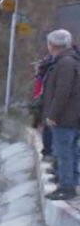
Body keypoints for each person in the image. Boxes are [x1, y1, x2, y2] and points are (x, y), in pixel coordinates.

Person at [42, 29, 80, 200]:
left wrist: (53, 115)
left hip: (65, 116)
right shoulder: (73, 60)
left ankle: (66, 186)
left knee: (64, 151)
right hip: (74, 115)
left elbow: (62, 92)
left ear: (52, 45)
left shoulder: (64, 63)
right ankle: (71, 180)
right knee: (72, 150)